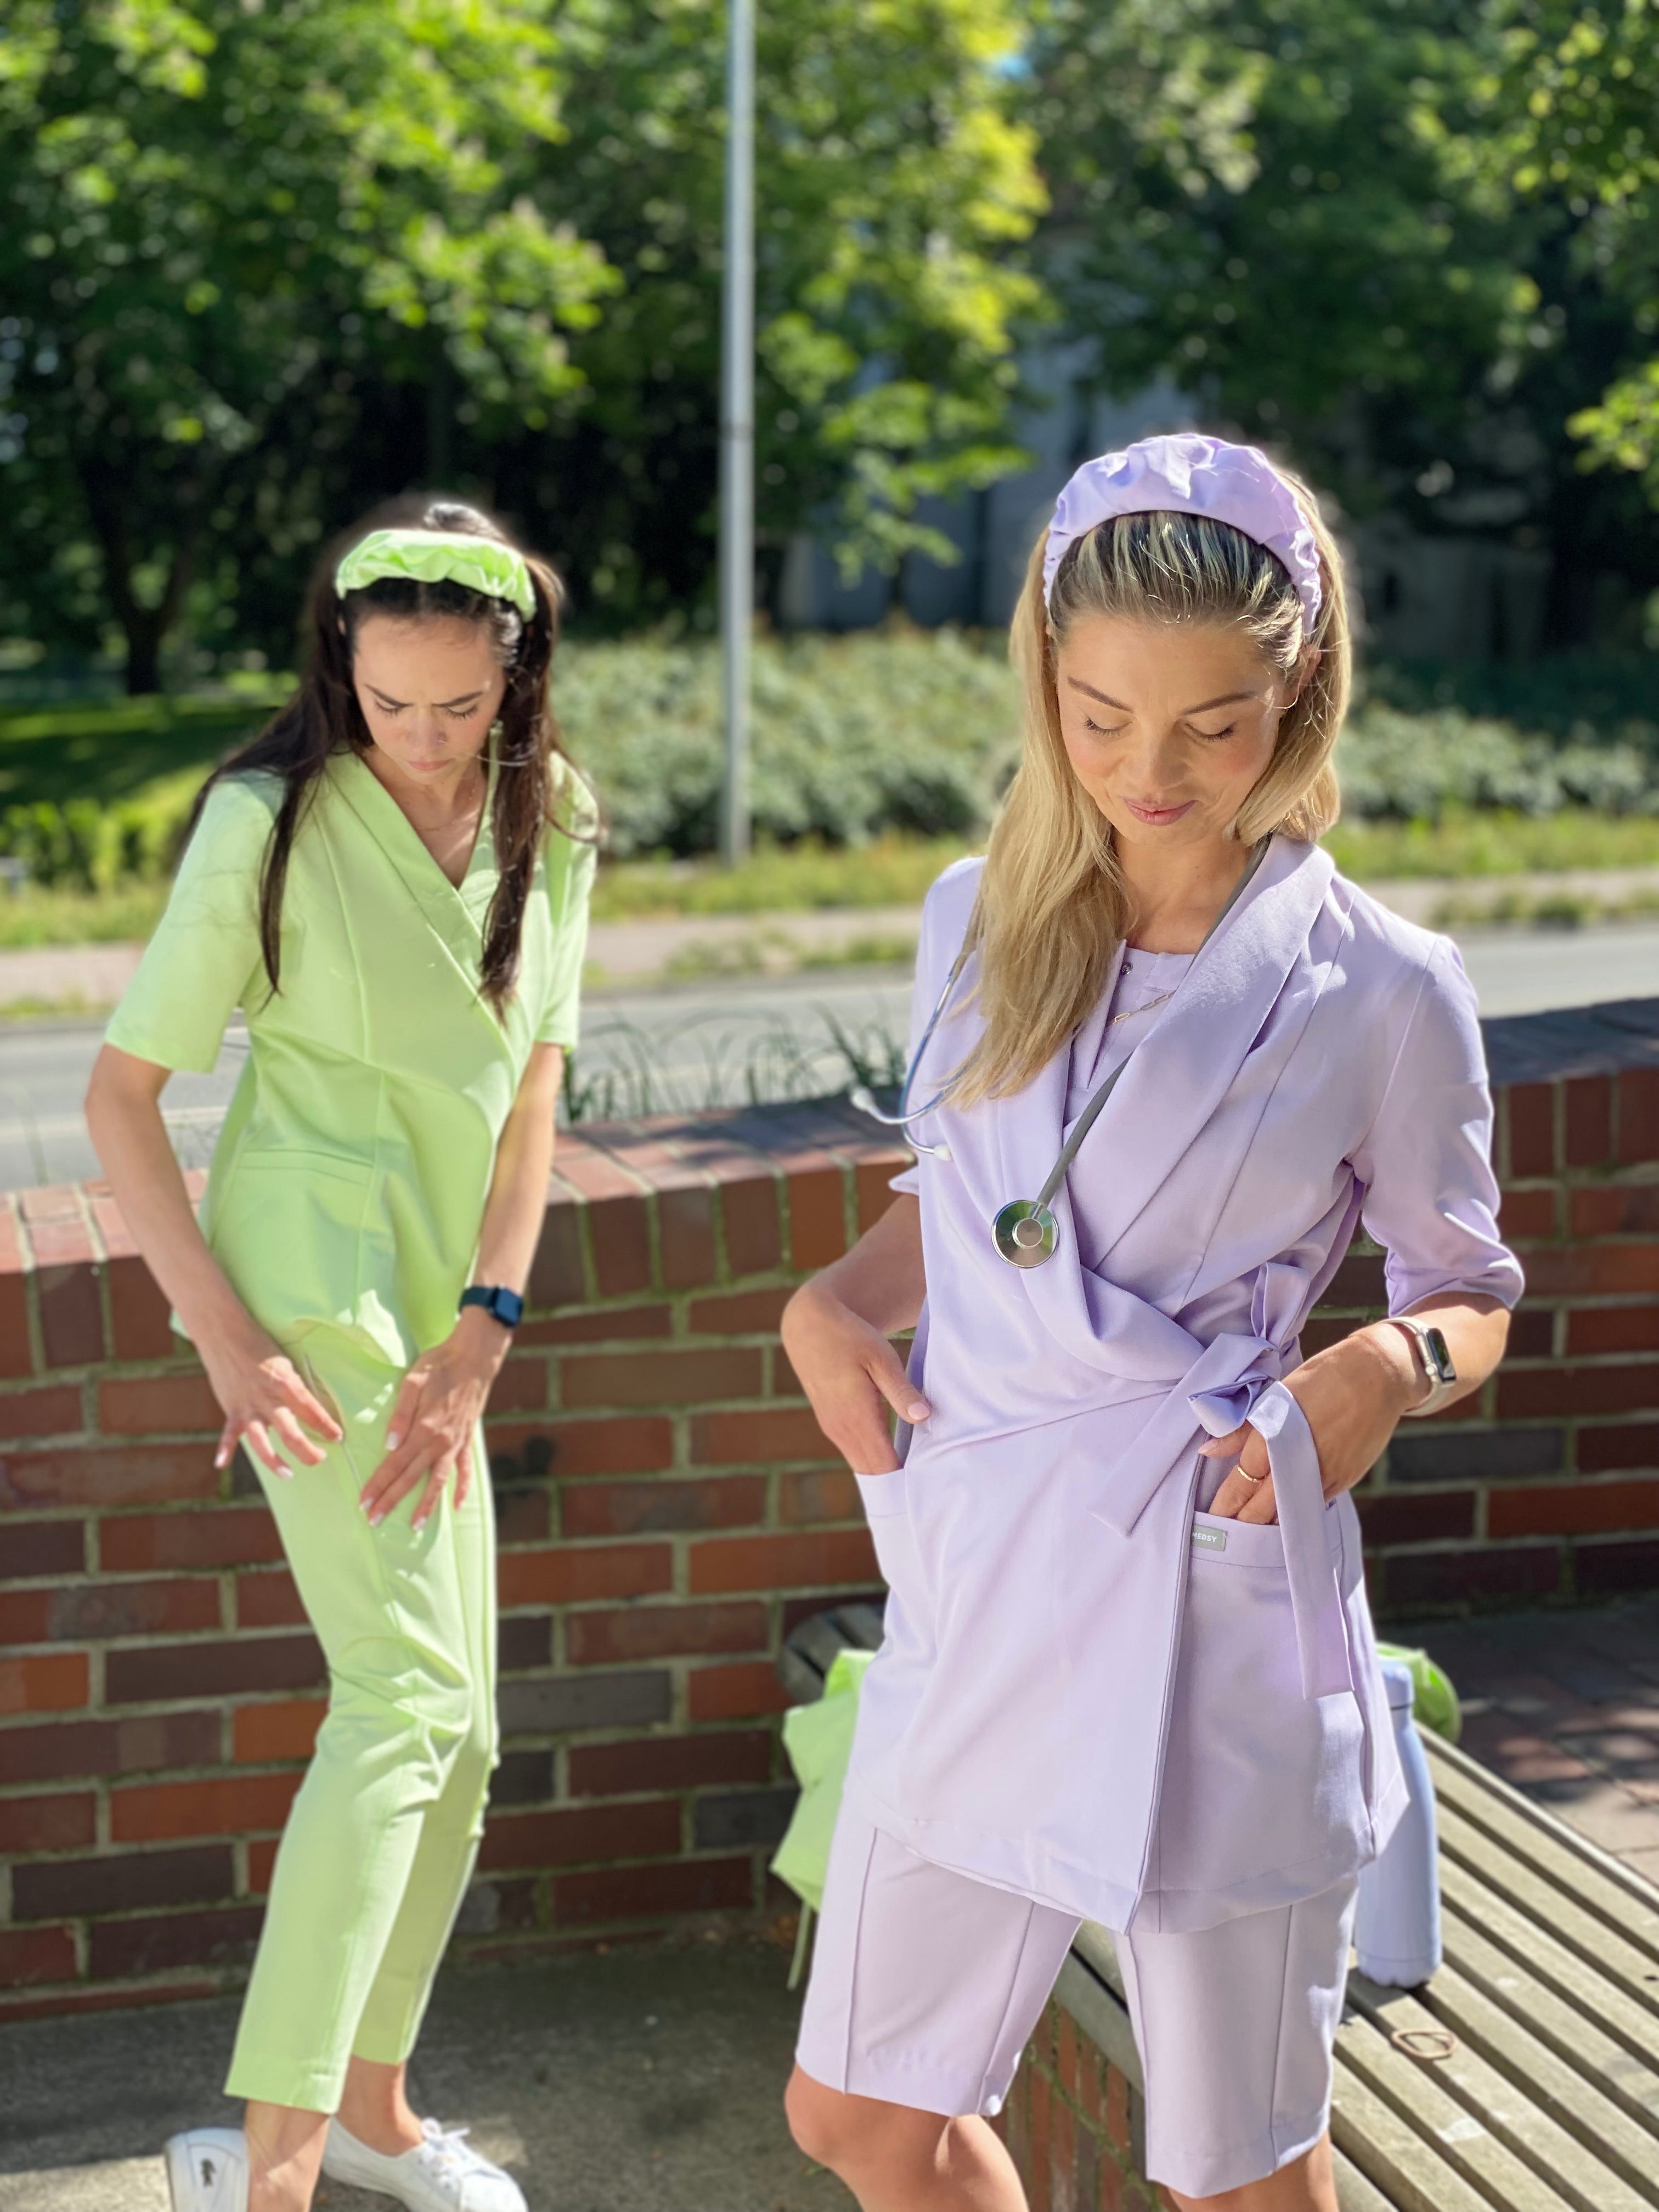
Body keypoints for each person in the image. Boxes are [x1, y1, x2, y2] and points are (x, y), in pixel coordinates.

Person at [779, 433, 1522, 2212]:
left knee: (1237, 2175)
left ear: (1301, 692)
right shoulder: (975, 918)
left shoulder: (1384, 986)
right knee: (860, 2114)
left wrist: (1384, 1366)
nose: (1149, 771)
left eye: (1214, 724)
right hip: (986, 1583)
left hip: (1209, 1602)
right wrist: (831, 1306)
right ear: (1046, 677)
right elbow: (975, 1211)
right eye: (1101, 717)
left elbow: (1468, 1291)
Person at [85, 499, 596, 2212]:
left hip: (448, 1311)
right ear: (340, 673)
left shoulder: (555, 819)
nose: (425, 740)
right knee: (402, 1704)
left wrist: (488, 1327)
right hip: (306, 1298)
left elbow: (533, 1098)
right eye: (389, 705)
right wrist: (224, 1341)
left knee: (468, 1739)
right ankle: (276, 2172)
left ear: (516, 683)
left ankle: (373, 2111)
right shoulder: (269, 821)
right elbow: (121, 1098)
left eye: (461, 705)